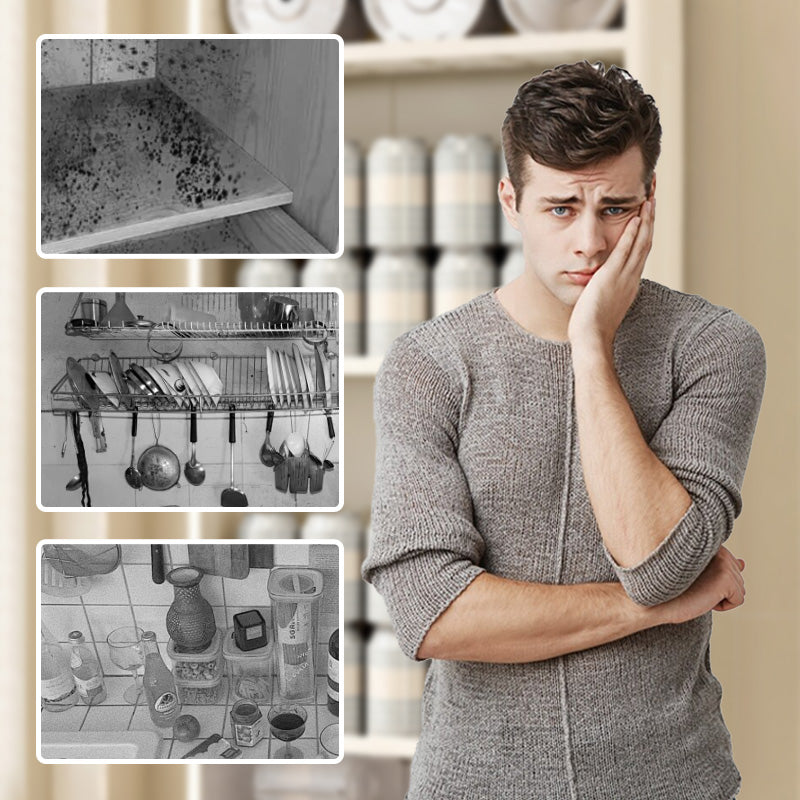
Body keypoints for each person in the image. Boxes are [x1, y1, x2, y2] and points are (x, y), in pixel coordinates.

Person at [362, 61, 766, 800]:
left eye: (615, 208)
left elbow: (657, 560)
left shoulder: (714, 346)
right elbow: (433, 611)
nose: (590, 243)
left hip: (673, 782)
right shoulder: (430, 363)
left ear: (650, 201)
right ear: (510, 201)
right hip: (474, 786)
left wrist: (590, 349)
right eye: (560, 210)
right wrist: (659, 607)